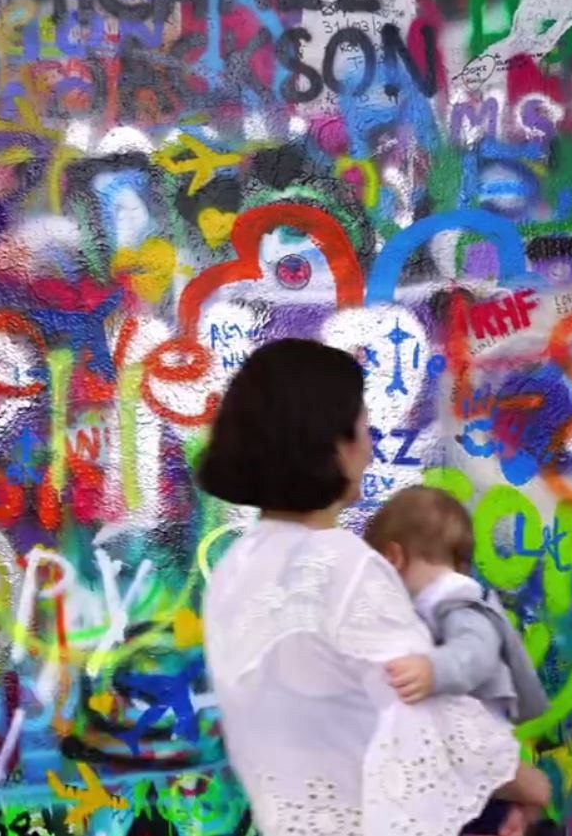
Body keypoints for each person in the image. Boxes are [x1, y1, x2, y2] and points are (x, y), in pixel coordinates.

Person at [197, 338, 550, 835]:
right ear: (332, 443)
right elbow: (432, 716)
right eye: (363, 426)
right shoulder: (341, 566)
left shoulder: (235, 570)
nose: (370, 446)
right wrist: (531, 785)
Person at [364, 486, 551, 834]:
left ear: (392, 558)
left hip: (482, 764)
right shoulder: (441, 602)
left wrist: (432, 670)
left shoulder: (455, 600)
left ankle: (511, 813)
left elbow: (476, 651)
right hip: (474, 766)